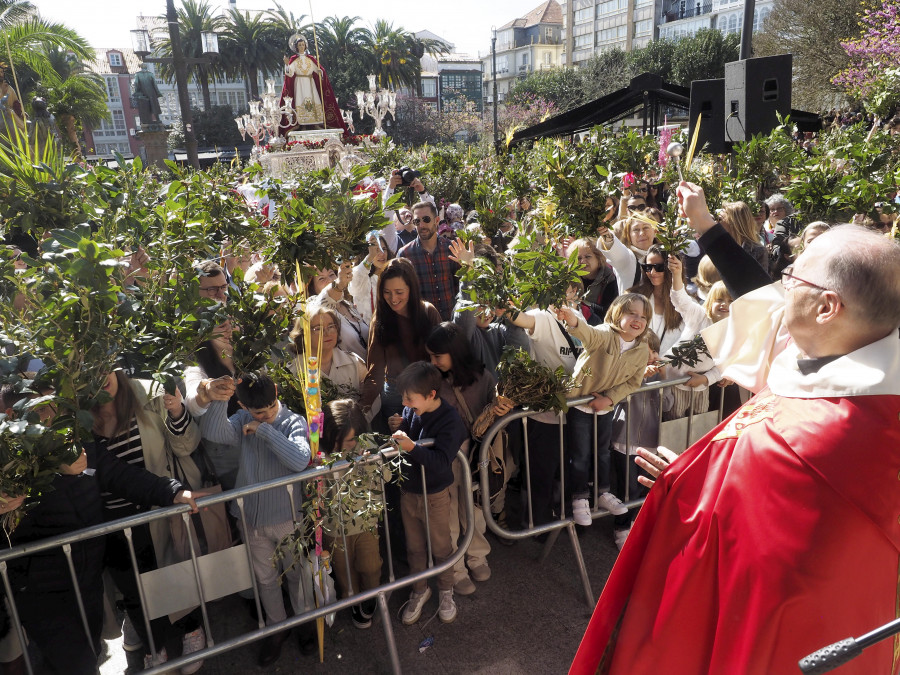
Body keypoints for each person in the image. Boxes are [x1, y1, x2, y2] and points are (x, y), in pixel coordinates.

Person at [570, 181, 900, 674]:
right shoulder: (838, 352)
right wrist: (691, 476)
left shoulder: (834, 436)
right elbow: (763, 298)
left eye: (793, 279)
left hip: (794, 636)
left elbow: (749, 518)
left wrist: (688, 487)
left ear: (828, 307)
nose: (782, 288)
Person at [197, 371, 316, 667]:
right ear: (243, 405)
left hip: (287, 517)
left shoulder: (293, 421)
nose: (266, 415)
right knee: (265, 579)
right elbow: (214, 433)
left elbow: (301, 459)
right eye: (259, 413)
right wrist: (218, 400)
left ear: (276, 392)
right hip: (250, 517)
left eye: (270, 408)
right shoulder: (240, 419)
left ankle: (304, 621)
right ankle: (277, 628)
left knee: (296, 574)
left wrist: (264, 430)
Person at [92, 371, 206, 672]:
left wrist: (177, 411)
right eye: (90, 367)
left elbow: (185, 446)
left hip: (160, 508)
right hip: (115, 521)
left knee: (175, 572)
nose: (99, 376)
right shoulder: (76, 416)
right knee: (135, 592)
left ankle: (191, 630)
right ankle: (154, 648)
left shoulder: (149, 393)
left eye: (105, 365)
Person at [422, 323, 511, 596]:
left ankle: (477, 556)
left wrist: (502, 407)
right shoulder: (429, 379)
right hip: (445, 456)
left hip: (474, 456)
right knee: (447, 515)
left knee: (474, 508)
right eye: (430, 356)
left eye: (438, 356)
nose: (432, 362)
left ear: (456, 352)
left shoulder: (483, 377)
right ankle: (456, 568)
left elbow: (494, 410)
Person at [555, 294, 651, 528]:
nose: (638, 320)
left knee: (602, 453)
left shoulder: (642, 348)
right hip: (579, 405)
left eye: (643, 316)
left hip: (605, 408)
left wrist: (609, 399)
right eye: (632, 314)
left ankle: (602, 492)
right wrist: (573, 320)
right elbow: (587, 333)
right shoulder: (605, 334)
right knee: (579, 455)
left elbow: (633, 382)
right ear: (618, 315)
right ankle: (579, 498)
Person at [390, 362, 468, 626]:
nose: (404, 401)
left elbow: (440, 461)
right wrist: (397, 427)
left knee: (441, 547)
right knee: (414, 548)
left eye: (410, 398)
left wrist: (411, 447)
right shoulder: (411, 409)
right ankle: (419, 590)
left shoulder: (450, 420)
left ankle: (447, 591)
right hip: (409, 492)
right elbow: (409, 436)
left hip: (434, 494)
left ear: (431, 394)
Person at [320, 399, 384, 630]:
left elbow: (385, 476)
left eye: (347, 441)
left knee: (371, 566)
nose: (342, 447)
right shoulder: (320, 453)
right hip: (335, 529)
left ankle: (371, 596)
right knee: (345, 573)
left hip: (365, 522)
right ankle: (354, 601)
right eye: (337, 442)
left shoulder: (366, 447)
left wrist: (371, 460)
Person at [359, 258, 442, 430]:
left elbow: (442, 360)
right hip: (395, 394)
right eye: (387, 292)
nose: (393, 298)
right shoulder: (380, 319)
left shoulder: (428, 312)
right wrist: (361, 409)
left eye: (399, 292)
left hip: (427, 392)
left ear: (411, 289)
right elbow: (375, 371)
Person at [609, 330, 672, 549]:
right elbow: (618, 397)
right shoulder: (625, 370)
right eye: (648, 350)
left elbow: (669, 405)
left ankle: (635, 524)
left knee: (645, 487)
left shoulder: (659, 373)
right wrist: (639, 376)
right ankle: (621, 527)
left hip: (650, 442)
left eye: (655, 350)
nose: (653, 355)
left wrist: (664, 377)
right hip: (624, 439)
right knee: (628, 489)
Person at [398, 200, 460, 321]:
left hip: (451, 323)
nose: (421, 225)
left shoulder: (451, 248)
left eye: (426, 219)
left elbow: (460, 285)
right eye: (417, 221)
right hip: (423, 326)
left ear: (436, 221)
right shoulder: (404, 254)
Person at [278, 34, 345, 134]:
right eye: (299, 45)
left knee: (314, 101)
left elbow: (319, 70)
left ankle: (316, 123)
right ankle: (302, 124)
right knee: (301, 101)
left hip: (310, 83)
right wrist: (287, 64)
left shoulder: (310, 59)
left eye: (303, 44)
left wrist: (320, 72)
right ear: (296, 47)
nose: (301, 47)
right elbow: (290, 73)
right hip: (300, 84)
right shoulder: (294, 60)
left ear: (305, 46)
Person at [628, 245, 685, 356]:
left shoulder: (687, 304)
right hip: (637, 364)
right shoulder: (633, 297)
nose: (652, 272)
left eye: (659, 267)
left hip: (669, 369)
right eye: (648, 267)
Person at [348, 233, 394, 325]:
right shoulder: (362, 277)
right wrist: (370, 257)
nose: (381, 254)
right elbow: (354, 286)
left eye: (384, 249)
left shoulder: (393, 276)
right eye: (377, 250)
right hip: (367, 334)